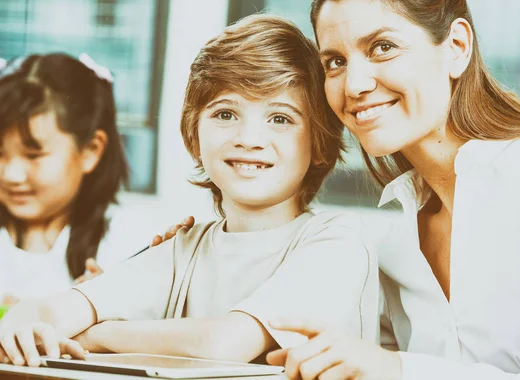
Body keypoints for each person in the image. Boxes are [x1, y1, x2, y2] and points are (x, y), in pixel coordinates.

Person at [0, 14, 378, 368]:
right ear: (194, 134)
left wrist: (97, 335)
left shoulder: (337, 243)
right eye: (225, 114)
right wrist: (26, 317)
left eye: (280, 119)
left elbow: (224, 345)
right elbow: (54, 310)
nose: (248, 139)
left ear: (320, 145)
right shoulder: (183, 247)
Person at [254, 0, 520, 379]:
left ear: (456, 47)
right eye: (335, 62)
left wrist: (398, 369)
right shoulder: (391, 244)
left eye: (382, 47)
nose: (354, 85)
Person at [0, 53, 159, 304]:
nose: (11, 174)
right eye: (0, 154)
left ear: (91, 150)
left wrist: (104, 308)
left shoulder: (127, 239)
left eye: (33, 155)